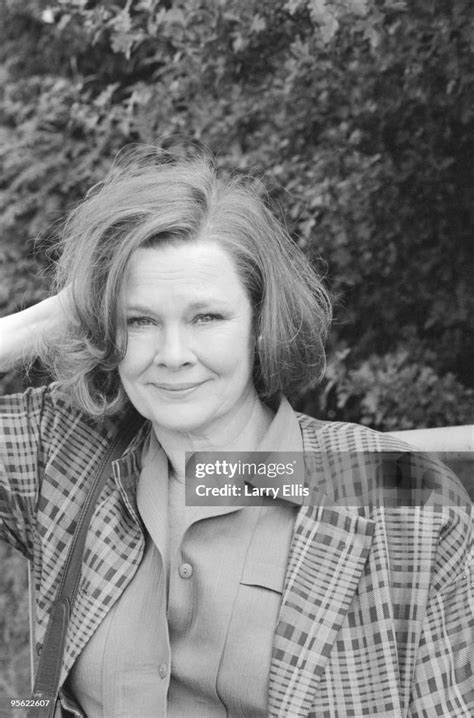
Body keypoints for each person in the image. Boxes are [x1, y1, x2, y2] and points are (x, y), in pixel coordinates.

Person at [0, 145, 472, 718]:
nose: (173, 355)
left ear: (260, 323)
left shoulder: (401, 497)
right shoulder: (67, 452)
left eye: (207, 317)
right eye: (141, 320)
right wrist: (51, 317)